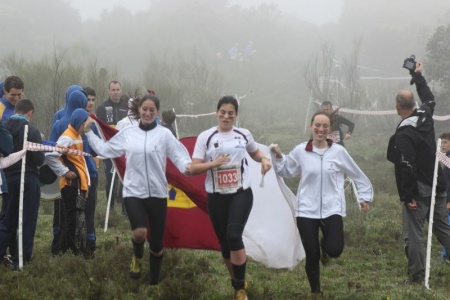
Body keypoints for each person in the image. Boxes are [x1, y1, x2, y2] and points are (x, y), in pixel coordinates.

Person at [84, 94, 192, 285]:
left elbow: (180, 157)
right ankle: (137, 259)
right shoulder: (129, 133)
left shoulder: (164, 134)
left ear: (157, 112)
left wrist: (190, 168)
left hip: (158, 193)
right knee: (139, 232)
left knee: (157, 245)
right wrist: (88, 133)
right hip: (133, 191)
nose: (148, 113)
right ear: (139, 110)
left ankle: (154, 284)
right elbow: (106, 150)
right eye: (145, 109)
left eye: (152, 110)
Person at [270, 111, 373, 295]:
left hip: (332, 208)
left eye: (325, 126)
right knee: (312, 254)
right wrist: (278, 155)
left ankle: (326, 249)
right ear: (311, 127)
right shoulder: (301, 151)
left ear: (329, 129)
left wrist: (364, 197)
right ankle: (316, 292)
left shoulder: (339, 152)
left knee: (334, 249)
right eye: (317, 125)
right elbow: (287, 170)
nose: (320, 129)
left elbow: (356, 174)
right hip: (306, 211)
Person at [190, 96, 272, 300]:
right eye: (223, 112)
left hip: (241, 193)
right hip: (216, 197)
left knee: (234, 235)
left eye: (231, 113)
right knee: (225, 244)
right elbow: (193, 167)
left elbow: (254, 152)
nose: (226, 117)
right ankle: (237, 281)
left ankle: (239, 290)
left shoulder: (243, 134)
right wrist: (214, 164)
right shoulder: (206, 137)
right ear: (217, 112)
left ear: (236, 115)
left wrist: (263, 159)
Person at [386, 62, 450, 283]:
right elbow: (430, 98)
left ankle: (417, 275)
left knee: (414, 234)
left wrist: (408, 195)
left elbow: (405, 165)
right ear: (414, 103)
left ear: (397, 106)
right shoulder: (425, 115)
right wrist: (417, 75)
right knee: (443, 228)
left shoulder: (404, 131)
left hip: (419, 189)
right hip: (437, 183)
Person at [0, 99, 45, 268]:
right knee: (27, 220)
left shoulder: (4, 127)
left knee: (7, 219)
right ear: (30, 113)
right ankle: (22, 258)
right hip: (28, 178)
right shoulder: (32, 131)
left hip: (7, 179)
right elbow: (39, 159)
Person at [48, 89, 88, 255]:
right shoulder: (68, 136)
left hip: (77, 181)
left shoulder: (77, 134)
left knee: (74, 215)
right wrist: (64, 172)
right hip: (69, 182)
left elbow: (80, 160)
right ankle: (65, 249)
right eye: (85, 122)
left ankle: (71, 248)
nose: (87, 126)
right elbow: (52, 155)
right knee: (69, 217)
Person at [95, 80, 128, 211]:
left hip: (125, 149)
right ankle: (111, 208)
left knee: (126, 179)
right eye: (113, 90)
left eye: (117, 90)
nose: (115, 93)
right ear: (109, 91)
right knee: (111, 179)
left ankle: (126, 210)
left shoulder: (127, 108)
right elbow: (98, 129)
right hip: (109, 149)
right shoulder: (102, 108)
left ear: (121, 90)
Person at [83, 86, 99, 257]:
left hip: (91, 173)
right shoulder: (62, 117)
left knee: (89, 210)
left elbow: (97, 149)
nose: (91, 103)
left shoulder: (94, 121)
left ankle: (90, 243)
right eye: (88, 99)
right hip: (72, 173)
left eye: (93, 100)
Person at [439, 132, 450, 260]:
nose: (442, 145)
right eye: (441, 142)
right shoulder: (447, 157)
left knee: (447, 227)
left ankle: (446, 255)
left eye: (445, 142)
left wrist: (448, 201)